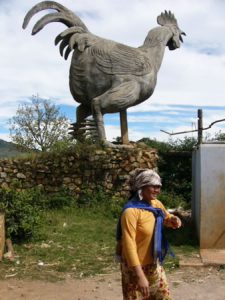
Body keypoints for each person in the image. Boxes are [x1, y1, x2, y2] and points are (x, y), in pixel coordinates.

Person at [116, 168, 182, 300]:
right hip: (134, 269)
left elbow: (165, 218)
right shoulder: (131, 212)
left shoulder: (156, 204)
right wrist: (140, 276)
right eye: (154, 186)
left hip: (154, 264)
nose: (157, 190)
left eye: (159, 186)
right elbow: (129, 245)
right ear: (142, 187)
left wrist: (173, 220)